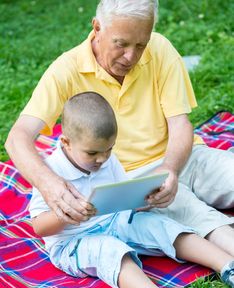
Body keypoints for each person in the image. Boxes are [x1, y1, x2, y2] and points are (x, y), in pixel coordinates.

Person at [5, 1, 234, 256]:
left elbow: (180, 123)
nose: (131, 57)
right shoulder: (66, 70)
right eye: (121, 44)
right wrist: (50, 184)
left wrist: (169, 167)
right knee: (203, 218)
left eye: (140, 45)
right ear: (97, 27)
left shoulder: (160, 48)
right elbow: (17, 138)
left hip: (184, 157)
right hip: (135, 183)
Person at [29, 92, 234, 288]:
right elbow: (39, 227)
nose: (102, 159)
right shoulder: (49, 173)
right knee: (110, 250)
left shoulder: (106, 158)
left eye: (108, 149)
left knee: (160, 225)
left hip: (114, 219)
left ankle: (227, 265)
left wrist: (141, 198)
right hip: (74, 240)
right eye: (93, 153)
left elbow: (120, 193)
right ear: (66, 143)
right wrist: (66, 214)